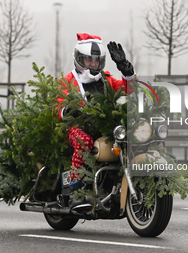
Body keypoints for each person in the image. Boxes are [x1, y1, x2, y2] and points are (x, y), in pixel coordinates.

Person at [57, 33, 136, 189]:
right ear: (80, 59)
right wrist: (69, 110)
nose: (93, 64)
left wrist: (126, 69)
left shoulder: (106, 80)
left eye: (97, 60)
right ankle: (76, 184)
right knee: (84, 140)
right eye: (89, 59)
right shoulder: (67, 81)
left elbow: (130, 90)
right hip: (77, 127)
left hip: (104, 126)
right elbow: (59, 105)